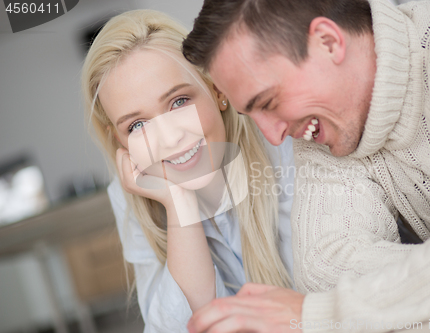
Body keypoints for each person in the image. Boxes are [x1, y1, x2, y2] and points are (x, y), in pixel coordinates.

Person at [182, 0, 430, 332]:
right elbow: (325, 269)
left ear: (328, 42)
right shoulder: (327, 126)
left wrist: (319, 315)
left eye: (269, 102)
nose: (274, 136)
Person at [81, 9, 296, 332]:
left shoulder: (280, 141)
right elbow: (178, 327)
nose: (169, 139)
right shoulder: (133, 190)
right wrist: (179, 206)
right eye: (138, 125)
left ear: (217, 89)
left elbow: (332, 292)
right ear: (122, 144)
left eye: (179, 101)